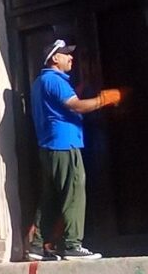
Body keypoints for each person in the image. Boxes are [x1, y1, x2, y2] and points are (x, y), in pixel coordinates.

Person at [27, 39, 124, 261]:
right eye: (66, 54)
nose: (71, 57)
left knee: (50, 196)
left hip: (49, 146)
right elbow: (76, 105)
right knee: (74, 192)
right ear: (55, 58)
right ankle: (72, 245)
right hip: (64, 145)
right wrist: (104, 99)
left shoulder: (40, 82)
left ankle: (37, 245)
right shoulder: (55, 80)